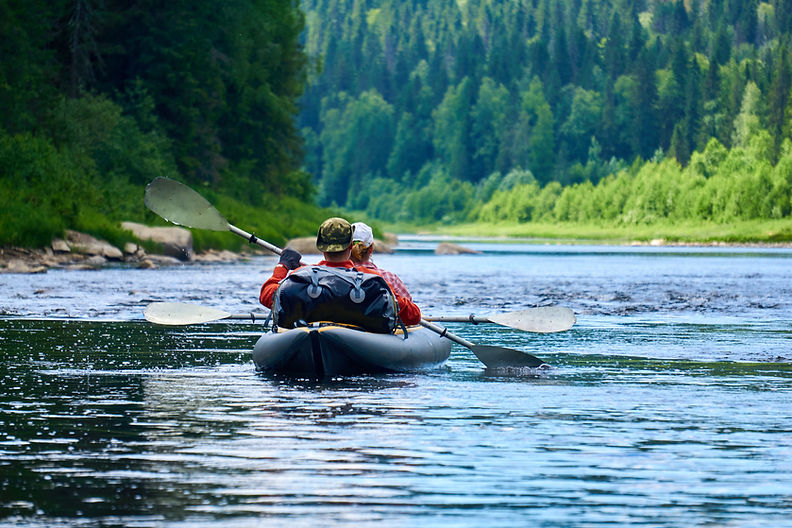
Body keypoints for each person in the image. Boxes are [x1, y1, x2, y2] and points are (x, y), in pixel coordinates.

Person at [259, 217, 421, 325]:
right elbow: (413, 315)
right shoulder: (374, 279)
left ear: (320, 246)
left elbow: (267, 296)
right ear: (350, 246)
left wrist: (283, 266)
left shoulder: (301, 275)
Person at [349, 222, 415, 304]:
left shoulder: (335, 277)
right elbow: (412, 313)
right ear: (371, 248)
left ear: (346, 249)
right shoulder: (390, 278)